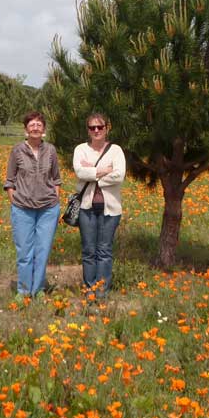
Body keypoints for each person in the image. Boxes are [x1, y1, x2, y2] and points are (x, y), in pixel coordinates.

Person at [4, 111, 62, 298]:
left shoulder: (51, 150)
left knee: (42, 251)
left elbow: (56, 178)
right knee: (24, 252)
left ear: (44, 129)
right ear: (26, 129)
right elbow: (10, 180)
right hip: (22, 209)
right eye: (32, 124)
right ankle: (23, 291)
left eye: (39, 124)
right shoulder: (17, 150)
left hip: (48, 209)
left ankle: (38, 290)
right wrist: (15, 200)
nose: (35, 127)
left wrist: (55, 197)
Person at [72, 113, 125, 299]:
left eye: (99, 127)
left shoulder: (116, 150)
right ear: (87, 130)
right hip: (86, 208)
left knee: (104, 250)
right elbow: (79, 171)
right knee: (88, 250)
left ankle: (101, 291)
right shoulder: (80, 149)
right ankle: (89, 290)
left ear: (106, 128)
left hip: (110, 209)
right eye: (92, 128)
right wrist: (103, 171)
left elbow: (119, 175)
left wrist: (92, 172)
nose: (96, 131)